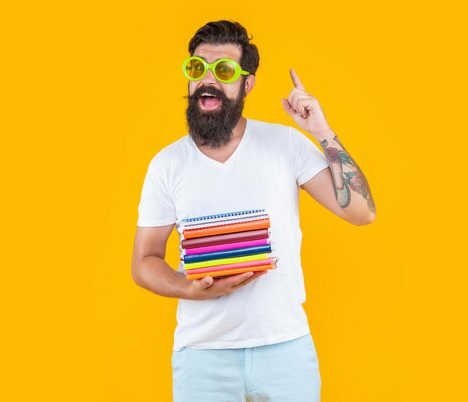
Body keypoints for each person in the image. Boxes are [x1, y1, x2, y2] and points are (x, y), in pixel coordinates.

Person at [131, 20, 376, 402]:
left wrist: (322, 130)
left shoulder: (285, 144)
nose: (207, 80)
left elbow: (362, 212)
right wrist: (189, 289)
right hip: (202, 357)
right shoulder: (166, 165)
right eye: (197, 68)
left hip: (286, 350)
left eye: (224, 70)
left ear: (247, 83)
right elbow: (143, 261)